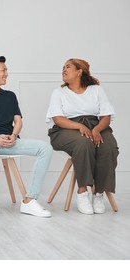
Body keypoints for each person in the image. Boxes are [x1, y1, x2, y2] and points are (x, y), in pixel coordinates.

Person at [0, 56, 52, 218]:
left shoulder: (10, 96)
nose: (7, 73)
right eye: (4, 70)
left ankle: (30, 200)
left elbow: (18, 121)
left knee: (45, 148)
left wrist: (14, 135)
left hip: (11, 141)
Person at [46, 58, 119, 215]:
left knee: (109, 146)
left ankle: (98, 193)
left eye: (68, 67)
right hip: (65, 128)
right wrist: (80, 126)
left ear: (79, 71)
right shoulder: (59, 93)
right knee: (83, 143)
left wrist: (97, 129)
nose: (63, 70)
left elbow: (106, 116)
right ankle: (82, 192)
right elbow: (58, 119)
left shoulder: (96, 90)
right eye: (63, 67)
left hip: (96, 127)